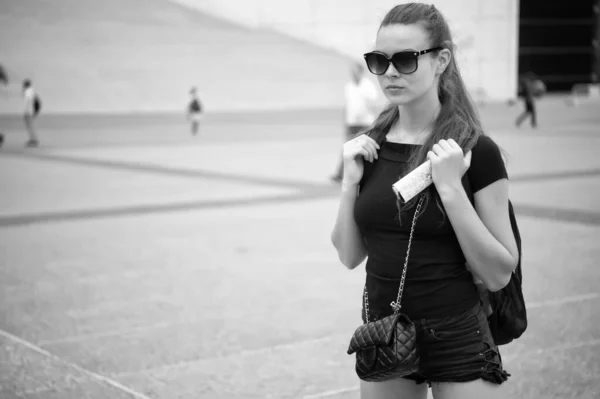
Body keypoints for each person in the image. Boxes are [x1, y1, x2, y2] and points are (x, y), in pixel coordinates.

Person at [330, 3, 519, 399]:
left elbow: (500, 272)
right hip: (385, 333)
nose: (391, 71)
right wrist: (350, 184)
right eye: (379, 60)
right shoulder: (372, 148)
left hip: (457, 335)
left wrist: (451, 190)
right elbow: (349, 256)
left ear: (441, 60)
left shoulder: (473, 152)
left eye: (405, 59)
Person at [331, 62, 378, 182]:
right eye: (352, 72)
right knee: (347, 148)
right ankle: (340, 173)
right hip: (351, 123)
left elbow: (373, 105)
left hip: (364, 123)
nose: (353, 74)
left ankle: (367, 174)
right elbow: (348, 106)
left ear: (361, 72)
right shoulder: (349, 86)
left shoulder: (368, 87)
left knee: (365, 148)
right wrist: (345, 121)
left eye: (356, 71)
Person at [22, 79, 40, 147]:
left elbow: (28, 102)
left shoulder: (28, 91)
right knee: (31, 125)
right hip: (32, 111)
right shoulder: (32, 91)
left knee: (30, 126)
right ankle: (33, 139)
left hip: (28, 112)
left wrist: (25, 111)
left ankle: (33, 139)